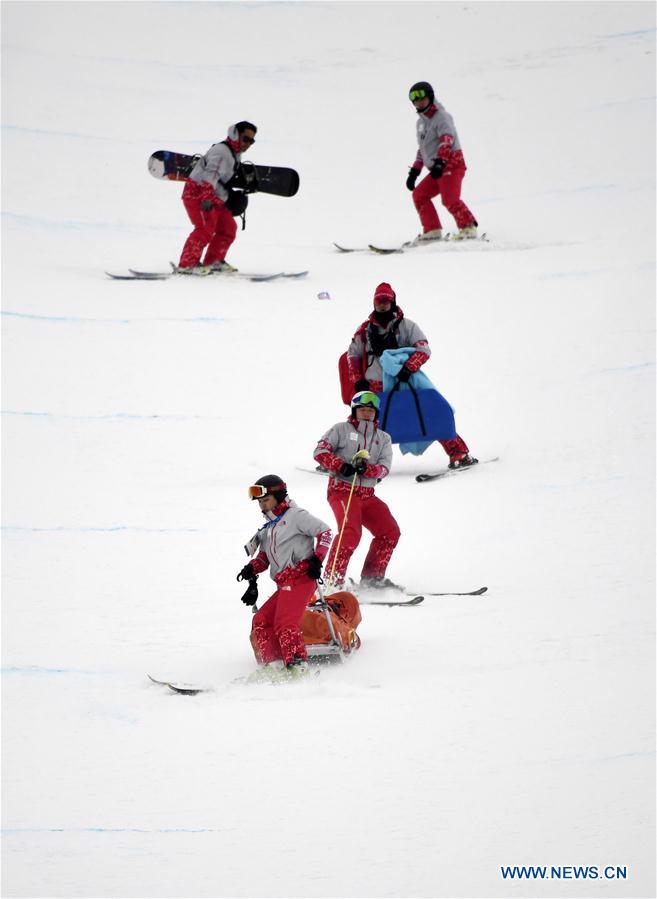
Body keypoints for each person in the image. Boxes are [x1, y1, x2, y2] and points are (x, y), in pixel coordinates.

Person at [347, 281, 477, 469]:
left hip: (404, 382)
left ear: (393, 302)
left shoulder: (407, 326)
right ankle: (344, 460)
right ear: (374, 303)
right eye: (379, 301)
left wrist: (409, 368)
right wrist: (357, 380)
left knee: (431, 413)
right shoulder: (364, 330)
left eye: (386, 300)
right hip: (374, 385)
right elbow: (352, 355)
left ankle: (459, 454)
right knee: (361, 424)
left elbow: (424, 348)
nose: (382, 304)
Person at [237, 475, 332, 677]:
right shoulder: (268, 527)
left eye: (266, 500)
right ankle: (273, 666)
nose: (262, 506)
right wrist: (252, 568)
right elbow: (264, 557)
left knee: (285, 623)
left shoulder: (296, 516)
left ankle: (298, 666)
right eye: (260, 502)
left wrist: (317, 559)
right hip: (283, 583)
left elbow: (325, 533)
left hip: (301, 579)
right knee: (261, 621)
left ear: (279, 496)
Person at [313, 391, 401, 591]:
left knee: (389, 532)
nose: (366, 413)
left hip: (367, 495)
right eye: (362, 409)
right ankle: (332, 581)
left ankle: (372, 579)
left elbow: (385, 467)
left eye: (370, 410)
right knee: (350, 533)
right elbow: (320, 451)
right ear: (355, 410)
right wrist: (340, 465)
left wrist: (368, 469)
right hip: (342, 491)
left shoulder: (383, 438)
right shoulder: (341, 429)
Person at [177, 121, 257, 274]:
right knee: (205, 228)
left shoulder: (235, 154)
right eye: (246, 139)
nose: (248, 144)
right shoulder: (222, 151)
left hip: (214, 196)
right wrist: (206, 198)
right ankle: (187, 265)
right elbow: (210, 174)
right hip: (198, 194)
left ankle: (214, 261)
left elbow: (221, 178)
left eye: (251, 141)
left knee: (228, 228)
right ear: (236, 135)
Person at [405, 81, 478, 242]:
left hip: (451, 164)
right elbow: (423, 149)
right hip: (438, 168)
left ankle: (468, 227)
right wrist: (415, 171)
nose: (418, 102)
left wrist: (441, 162)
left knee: (450, 199)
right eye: (414, 99)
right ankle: (432, 231)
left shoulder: (441, 117)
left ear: (430, 97)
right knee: (419, 195)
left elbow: (447, 140)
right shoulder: (421, 123)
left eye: (422, 97)